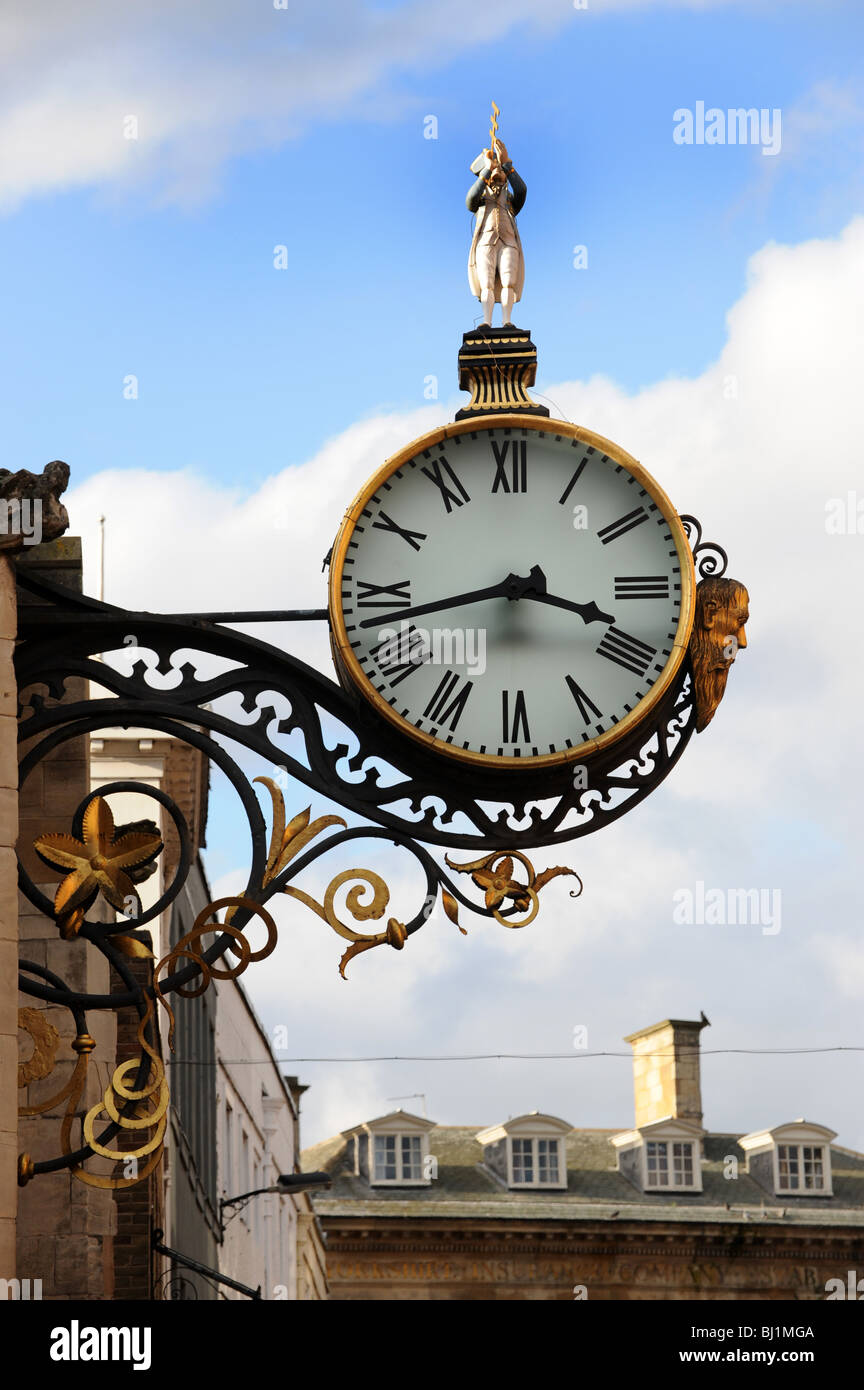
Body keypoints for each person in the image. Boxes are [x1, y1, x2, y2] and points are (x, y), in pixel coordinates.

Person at [466, 139, 526, 328]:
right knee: (487, 283)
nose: (497, 173)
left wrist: (507, 164)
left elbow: (522, 190)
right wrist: (487, 169)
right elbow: (470, 201)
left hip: (508, 241)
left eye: (500, 172)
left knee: (509, 280)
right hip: (486, 241)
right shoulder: (482, 200)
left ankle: (507, 320)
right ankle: (486, 321)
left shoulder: (509, 200)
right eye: (495, 170)